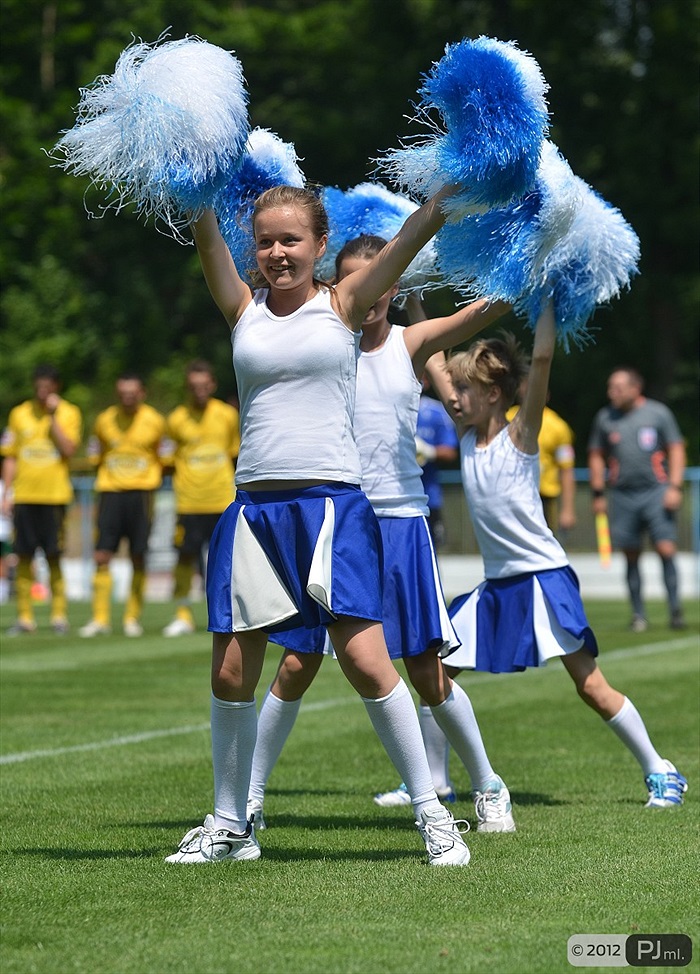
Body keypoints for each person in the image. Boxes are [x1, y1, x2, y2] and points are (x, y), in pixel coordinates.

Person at [165, 185, 473, 867]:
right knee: (230, 673)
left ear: (319, 247)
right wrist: (194, 189)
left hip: (331, 505)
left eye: (290, 240)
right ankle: (229, 823)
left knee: (366, 661)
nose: (277, 252)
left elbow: (406, 245)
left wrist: (441, 199)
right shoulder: (242, 310)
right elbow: (206, 236)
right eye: (266, 241)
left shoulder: (344, 304)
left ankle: (433, 816)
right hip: (254, 511)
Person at [246, 234, 515, 836]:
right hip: (330, 520)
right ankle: (248, 799)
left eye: (375, 279)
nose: (364, 293)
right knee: (295, 664)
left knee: (425, 670)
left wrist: (530, 262)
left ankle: (488, 785)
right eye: (348, 278)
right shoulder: (318, 337)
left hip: (397, 521)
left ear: (393, 286)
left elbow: (480, 312)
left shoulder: (407, 342)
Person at [441, 303, 687, 809]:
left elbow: (545, 358)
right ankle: (431, 783)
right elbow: (434, 359)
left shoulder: (519, 437)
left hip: (541, 579)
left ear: (492, 394)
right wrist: (415, 295)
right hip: (497, 585)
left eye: (463, 390)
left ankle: (660, 770)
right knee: (434, 674)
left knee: (591, 687)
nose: (452, 398)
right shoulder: (466, 436)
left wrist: (548, 298)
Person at [588, 367, 686, 632]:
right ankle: (638, 615)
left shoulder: (658, 413)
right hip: (622, 495)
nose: (612, 393)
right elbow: (596, 454)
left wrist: (675, 486)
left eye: (617, 388)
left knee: (666, 549)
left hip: (656, 492)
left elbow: (676, 448)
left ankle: (675, 611)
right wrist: (598, 492)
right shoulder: (605, 418)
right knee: (631, 555)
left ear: (635, 389)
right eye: (610, 388)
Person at [79, 373, 166, 638]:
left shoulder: (155, 421)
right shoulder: (104, 420)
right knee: (102, 555)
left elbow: (164, 456)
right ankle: (100, 619)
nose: (127, 398)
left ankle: (132, 618)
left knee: (138, 556)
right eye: (122, 393)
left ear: (142, 393)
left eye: (132, 393)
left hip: (141, 494)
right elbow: (96, 455)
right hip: (110, 493)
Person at [0, 364, 82, 634]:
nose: (42, 390)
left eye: (47, 386)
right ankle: (25, 618)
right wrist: (6, 492)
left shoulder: (69, 412)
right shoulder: (19, 414)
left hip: (54, 496)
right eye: (39, 385)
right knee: (22, 556)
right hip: (24, 496)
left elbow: (69, 449)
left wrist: (52, 417)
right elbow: (10, 455)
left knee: (54, 556)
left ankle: (59, 616)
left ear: (56, 387)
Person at [161, 360, 240, 636]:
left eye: (204, 386)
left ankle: (226, 614)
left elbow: (235, 455)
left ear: (213, 386)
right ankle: (182, 614)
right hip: (189, 502)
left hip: (222, 500)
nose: (199, 391)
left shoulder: (228, 416)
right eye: (194, 387)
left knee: (226, 560)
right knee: (185, 558)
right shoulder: (175, 419)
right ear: (188, 387)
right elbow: (167, 460)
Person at [506, 380, 576, 536]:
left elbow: (566, 469)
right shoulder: (506, 419)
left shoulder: (558, 426)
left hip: (543, 497)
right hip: (510, 496)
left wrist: (567, 509)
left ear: (546, 395)